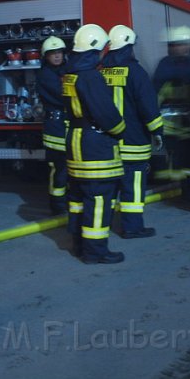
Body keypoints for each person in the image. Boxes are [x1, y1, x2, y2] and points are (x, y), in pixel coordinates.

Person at [62, 23, 127, 263]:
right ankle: (96, 252)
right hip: (95, 145)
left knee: (78, 199)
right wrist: (120, 130)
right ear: (95, 49)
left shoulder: (70, 74)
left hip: (76, 142)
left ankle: (79, 245)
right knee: (99, 199)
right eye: (103, 49)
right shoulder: (91, 77)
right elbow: (106, 114)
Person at [102, 25, 164, 239]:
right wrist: (157, 131)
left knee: (109, 188)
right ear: (128, 47)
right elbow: (148, 106)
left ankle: (103, 225)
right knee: (133, 187)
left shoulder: (101, 70)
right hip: (133, 141)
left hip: (108, 143)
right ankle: (132, 227)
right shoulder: (136, 72)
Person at [152, 25, 190, 202]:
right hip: (169, 124)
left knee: (188, 160)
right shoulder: (166, 64)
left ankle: (187, 192)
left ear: (187, 45)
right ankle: (170, 187)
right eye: (172, 45)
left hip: (188, 123)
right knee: (170, 157)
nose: (174, 48)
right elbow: (155, 92)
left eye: (178, 44)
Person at [36, 36, 69, 215]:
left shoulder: (66, 70)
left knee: (69, 166)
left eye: (59, 52)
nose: (57, 56)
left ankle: (66, 199)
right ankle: (57, 204)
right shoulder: (45, 75)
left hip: (67, 124)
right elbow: (62, 94)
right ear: (45, 56)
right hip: (55, 126)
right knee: (59, 168)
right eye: (52, 54)